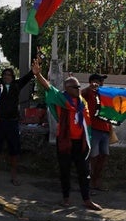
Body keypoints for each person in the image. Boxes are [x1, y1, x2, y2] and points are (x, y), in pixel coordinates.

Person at [32, 60, 102, 211]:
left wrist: (92, 86)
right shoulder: (61, 99)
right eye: (75, 87)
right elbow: (48, 87)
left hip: (81, 143)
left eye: (78, 86)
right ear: (67, 88)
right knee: (65, 171)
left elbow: (87, 96)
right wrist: (38, 74)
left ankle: (87, 200)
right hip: (65, 141)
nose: (78, 88)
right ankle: (66, 198)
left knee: (84, 172)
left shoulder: (81, 101)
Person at [0, 66, 35, 186]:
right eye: (4, 75)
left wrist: (33, 72)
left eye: (9, 75)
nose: (6, 77)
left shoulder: (16, 85)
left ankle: (14, 176)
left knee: (14, 151)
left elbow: (26, 78)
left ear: (12, 77)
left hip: (12, 123)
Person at [82, 73, 111, 192]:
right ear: (93, 82)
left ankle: (96, 181)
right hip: (94, 129)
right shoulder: (89, 93)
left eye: (102, 81)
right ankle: (90, 183)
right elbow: (79, 95)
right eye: (99, 81)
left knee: (103, 156)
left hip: (105, 130)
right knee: (93, 157)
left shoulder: (104, 94)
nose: (102, 83)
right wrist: (89, 88)